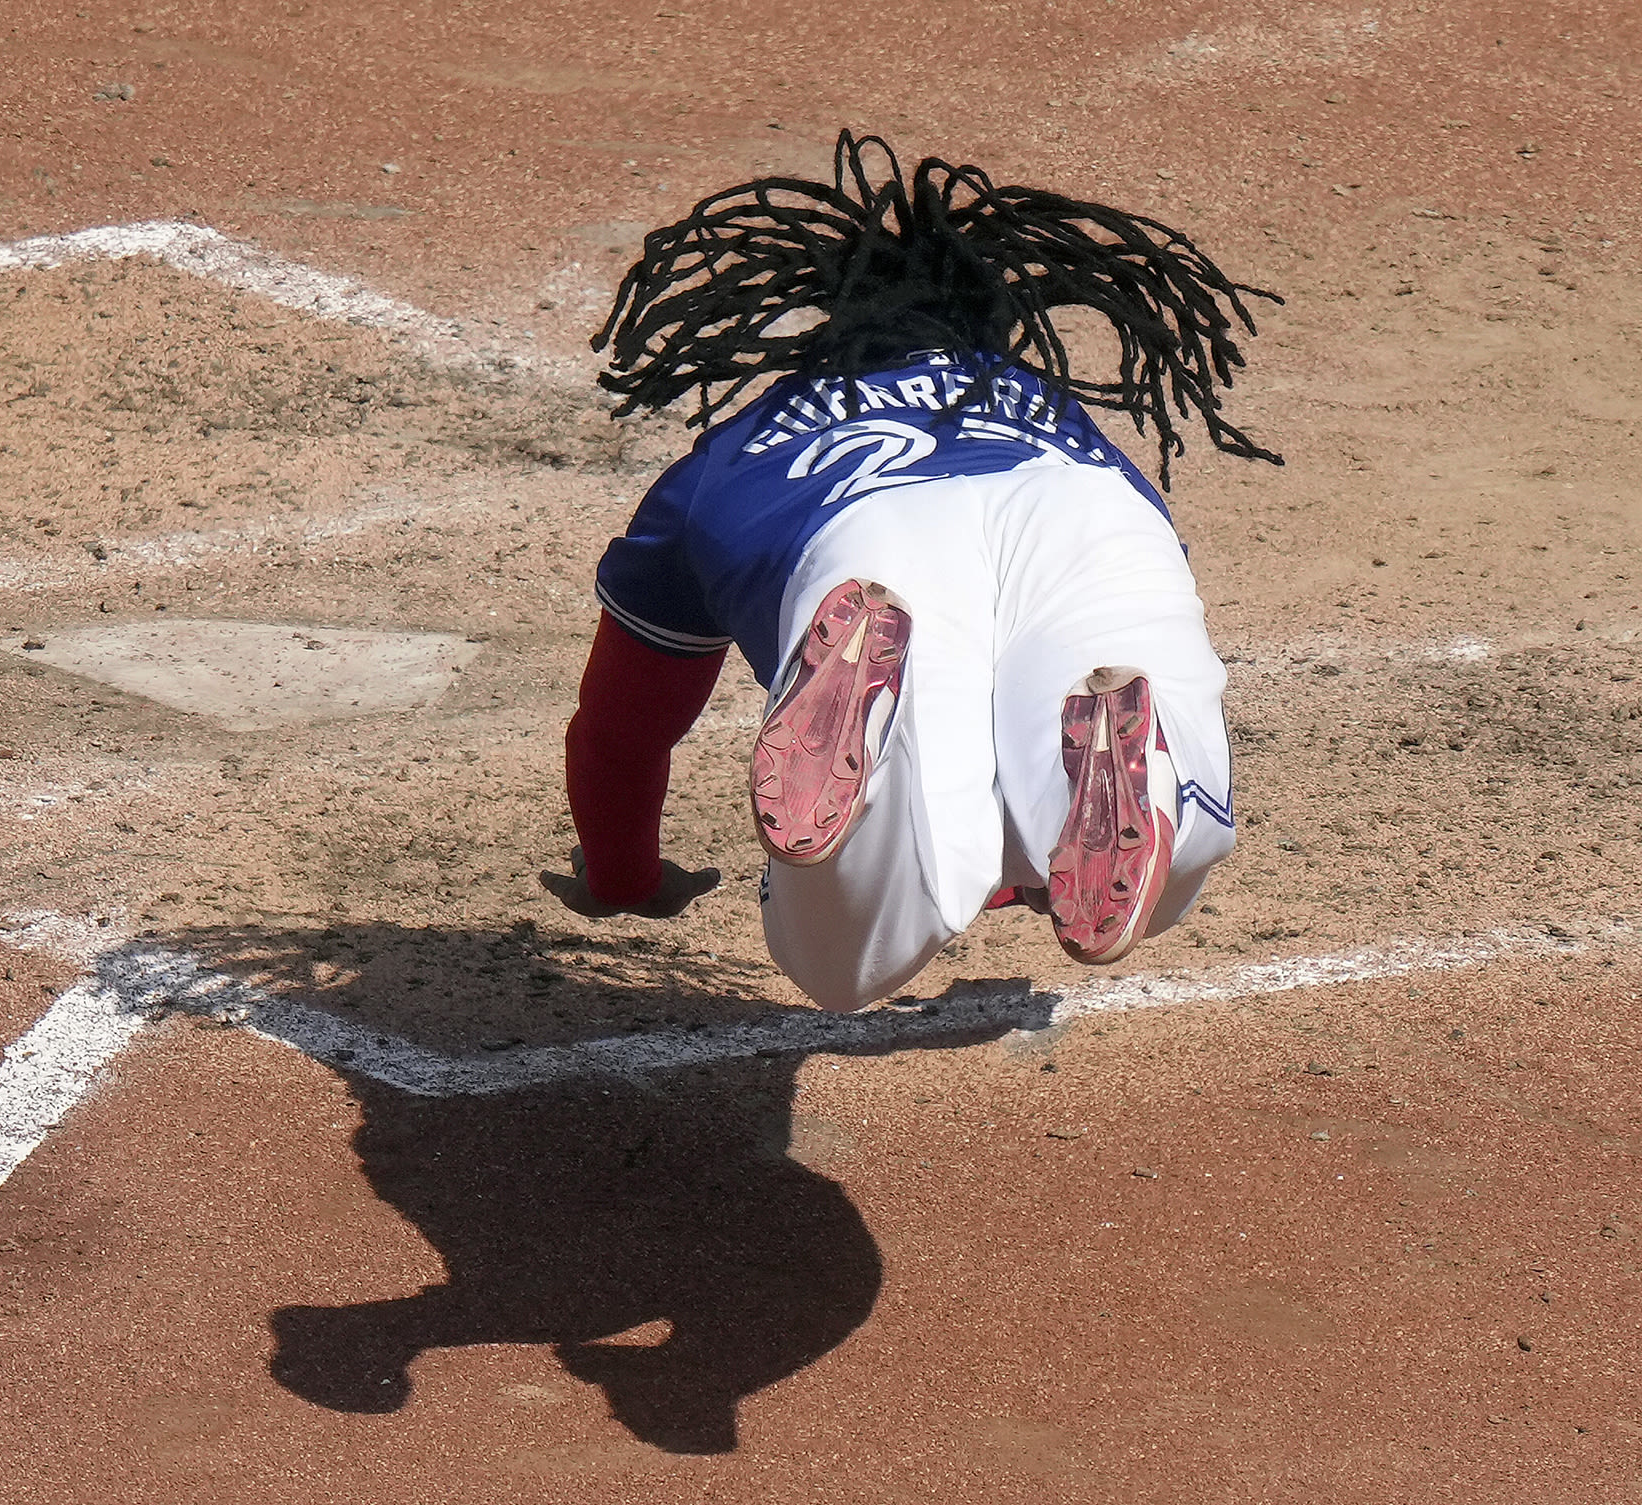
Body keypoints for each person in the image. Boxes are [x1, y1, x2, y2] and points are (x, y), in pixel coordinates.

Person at [540, 132, 1281, 1012]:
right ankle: (1145, 767)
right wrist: (1027, 862)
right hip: (1085, 512)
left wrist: (623, 878)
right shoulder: (1057, 415)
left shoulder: (730, 460)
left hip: (861, 539)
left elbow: (619, 735)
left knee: (845, 963)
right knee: (1154, 802)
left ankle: (878, 750)